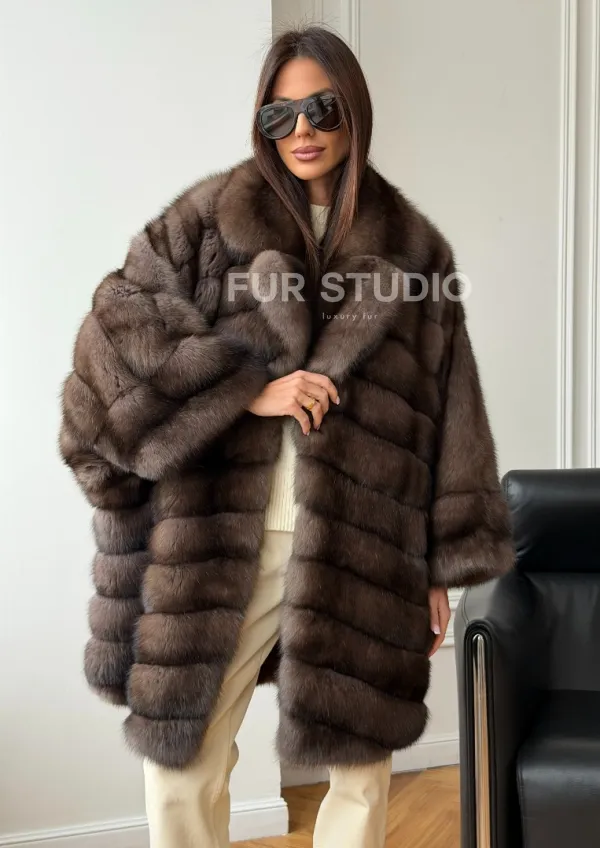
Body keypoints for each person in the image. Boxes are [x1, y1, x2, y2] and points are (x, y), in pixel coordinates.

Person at [58, 24, 515, 848]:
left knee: (361, 766)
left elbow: (456, 413)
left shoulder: (415, 251)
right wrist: (245, 390)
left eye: (321, 108)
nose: (302, 130)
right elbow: (114, 331)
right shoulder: (208, 223)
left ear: (354, 112)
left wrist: (437, 568)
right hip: (230, 536)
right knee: (183, 757)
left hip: (366, 539)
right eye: (280, 114)